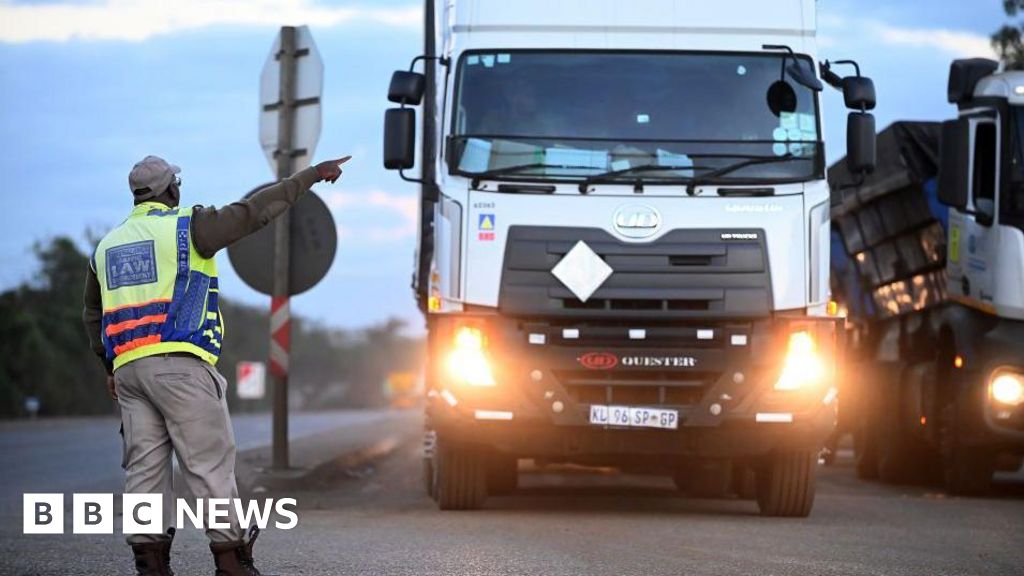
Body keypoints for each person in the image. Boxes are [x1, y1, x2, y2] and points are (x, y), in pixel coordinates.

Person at [82, 154, 350, 576]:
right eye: (177, 183)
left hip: (130, 372)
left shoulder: (107, 246)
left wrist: (109, 367)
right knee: (208, 465)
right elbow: (254, 212)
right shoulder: (189, 226)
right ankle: (231, 563)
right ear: (170, 189)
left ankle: (150, 565)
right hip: (181, 365)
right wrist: (311, 176)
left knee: (144, 471)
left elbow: (92, 315)